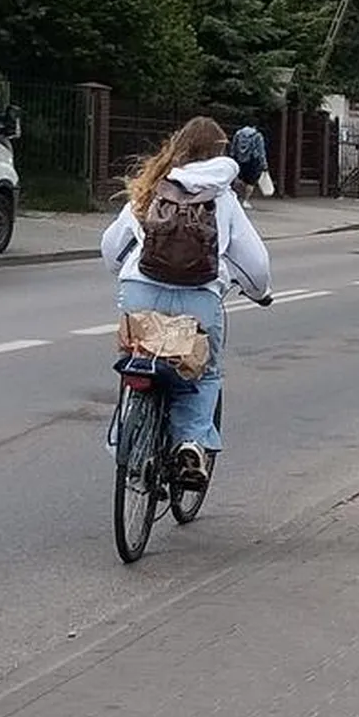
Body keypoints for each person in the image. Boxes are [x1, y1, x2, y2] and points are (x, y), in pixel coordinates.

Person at [101, 116, 272, 487]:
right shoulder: (224, 198)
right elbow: (255, 264)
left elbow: (111, 248)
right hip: (199, 299)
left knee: (137, 363)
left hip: (139, 292)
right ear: (220, 155)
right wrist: (261, 293)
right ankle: (191, 443)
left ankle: (127, 442)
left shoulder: (151, 188)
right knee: (203, 372)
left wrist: (125, 268)